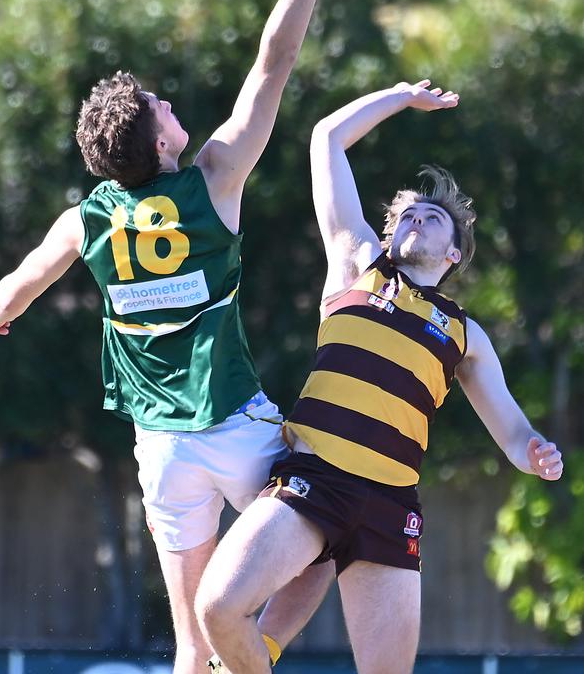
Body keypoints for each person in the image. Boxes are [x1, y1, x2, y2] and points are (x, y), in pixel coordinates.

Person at [0, 0, 374, 674]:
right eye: (159, 104)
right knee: (336, 537)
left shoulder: (84, 220)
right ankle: (262, 648)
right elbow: (277, 58)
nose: (168, 103)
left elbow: (17, 286)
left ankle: (235, 654)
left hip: (162, 449)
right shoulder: (213, 181)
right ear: (160, 144)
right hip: (238, 428)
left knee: (190, 647)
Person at [196, 79, 564, 674]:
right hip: (314, 482)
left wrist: (536, 454)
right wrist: (398, 96)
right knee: (217, 609)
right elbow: (327, 139)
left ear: (453, 256)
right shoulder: (356, 263)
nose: (418, 216)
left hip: (391, 507)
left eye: (434, 216)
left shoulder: (463, 334)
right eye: (408, 214)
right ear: (388, 236)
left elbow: (513, 430)